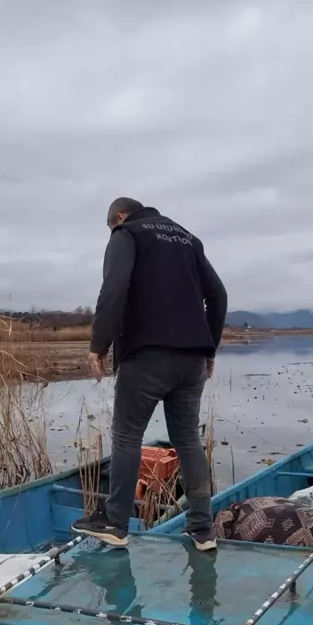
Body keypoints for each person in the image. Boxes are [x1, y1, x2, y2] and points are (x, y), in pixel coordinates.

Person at [72, 197, 228, 551]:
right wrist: (210, 347)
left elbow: (114, 289)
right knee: (187, 438)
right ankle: (202, 529)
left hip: (146, 355)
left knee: (127, 436)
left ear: (119, 217)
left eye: (110, 226)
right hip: (191, 359)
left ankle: (115, 523)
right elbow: (218, 295)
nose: (112, 231)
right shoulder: (188, 239)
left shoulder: (126, 233)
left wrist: (99, 344)